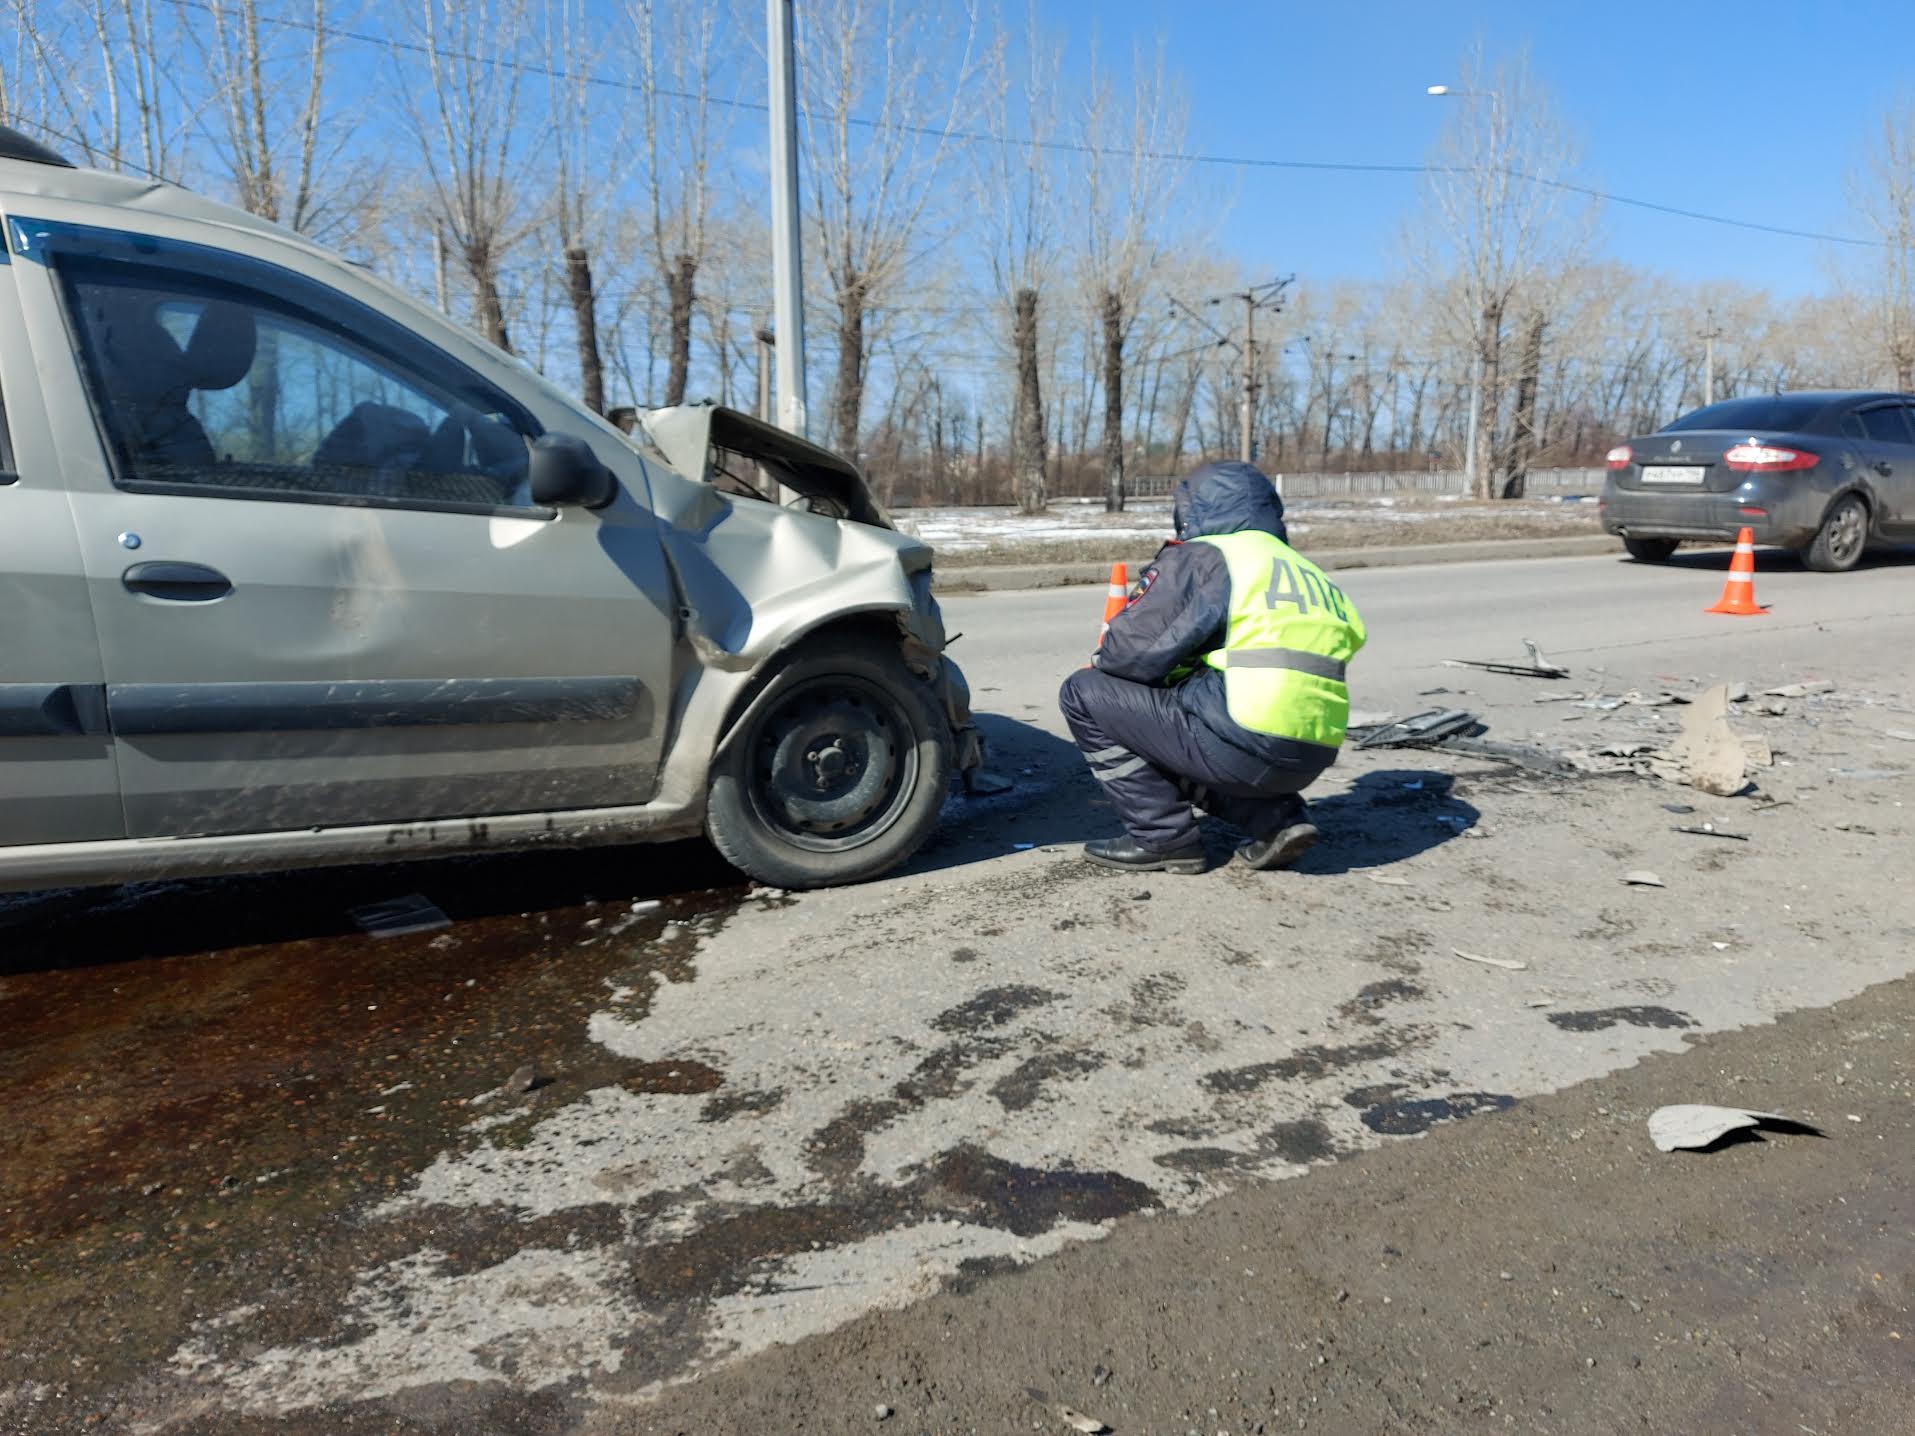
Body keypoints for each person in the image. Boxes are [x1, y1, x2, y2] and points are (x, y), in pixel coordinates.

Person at [1058, 460, 1366, 874]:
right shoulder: (1306, 571)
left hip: (1241, 740)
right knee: (1193, 718)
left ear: (1193, 509)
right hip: (1311, 752)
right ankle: (1277, 820)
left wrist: (1114, 665)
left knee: (1086, 694)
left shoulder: (1211, 555)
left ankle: (1163, 839)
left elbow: (1128, 654)